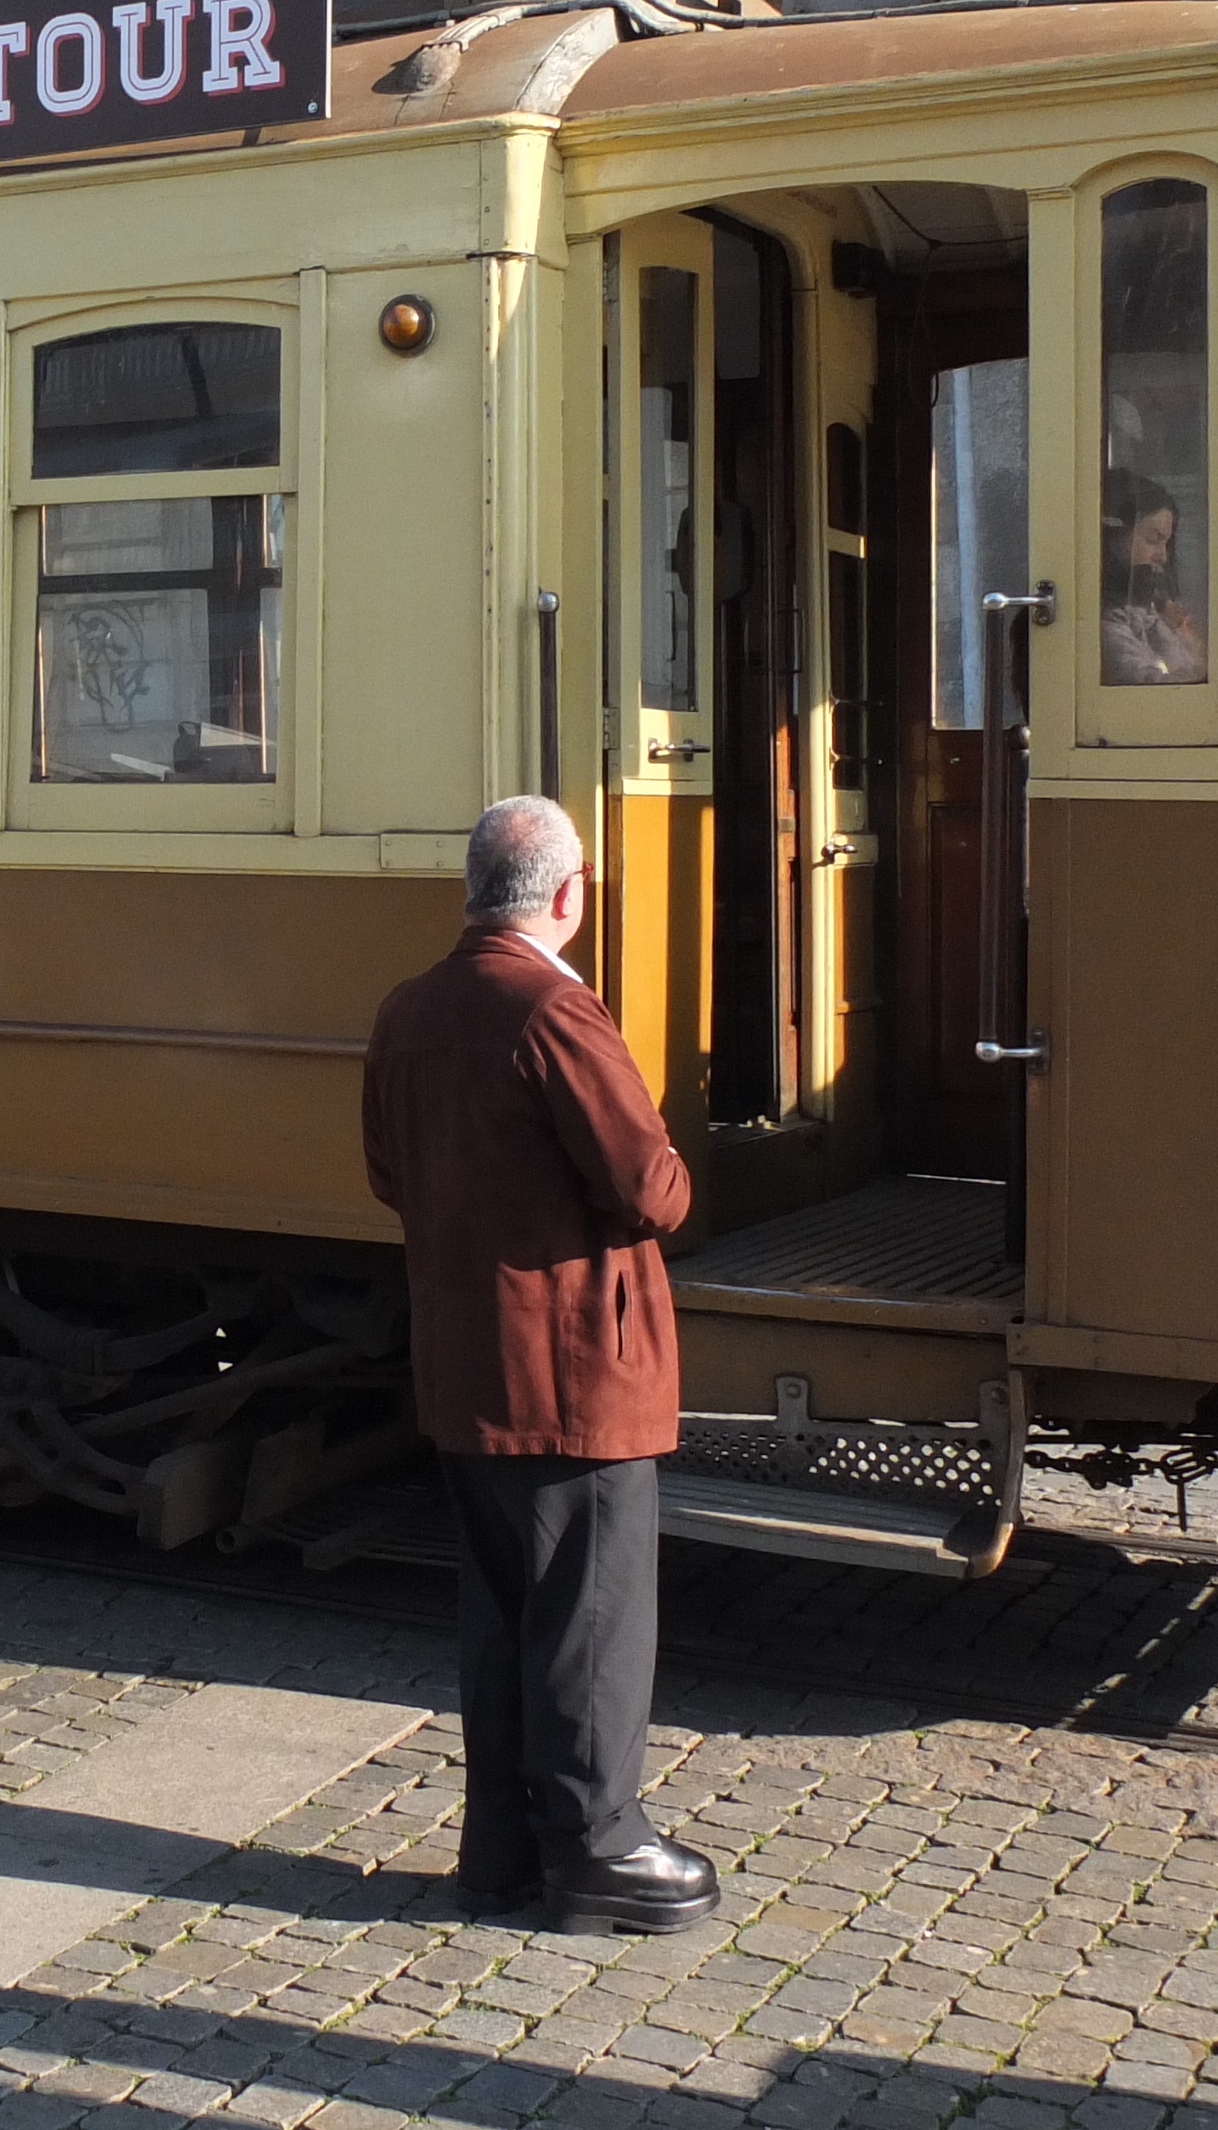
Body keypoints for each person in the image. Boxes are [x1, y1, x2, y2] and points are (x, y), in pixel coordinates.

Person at [361, 793, 714, 1935]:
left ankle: (501, 1849)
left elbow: (386, 1173)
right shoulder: (557, 1011)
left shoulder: (407, 1009)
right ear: (567, 896)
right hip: (574, 1373)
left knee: (501, 1617)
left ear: (475, 889)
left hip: (465, 1363)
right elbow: (649, 1188)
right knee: (589, 1622)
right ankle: (598, 1849)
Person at [1099, 469, 1208, 685]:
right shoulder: (1103, 622)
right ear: (1110, 538)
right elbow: (1150, 684)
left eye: (1166, 544)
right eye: (1152, 539)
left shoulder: (1152, 612)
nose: (1162, 557)